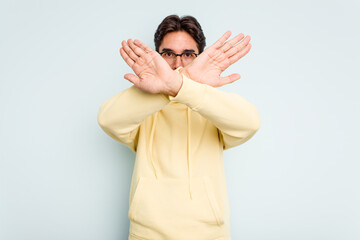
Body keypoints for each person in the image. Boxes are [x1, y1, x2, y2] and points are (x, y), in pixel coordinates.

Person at [97, 15, 261, 240]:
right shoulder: (142, 107)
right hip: (146, 234)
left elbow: (250, 123)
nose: (178, 64)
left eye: (188, 54)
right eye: (168, 54)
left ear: (200, 58)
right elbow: (108, 119)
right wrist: (171, 88)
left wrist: (183, 85)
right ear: (157, 57)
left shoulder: (211, 104)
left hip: (208, 234)